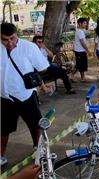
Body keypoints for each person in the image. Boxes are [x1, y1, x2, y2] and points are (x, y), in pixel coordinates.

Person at [1, 23, 51, 165]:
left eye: (12, 38)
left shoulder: (29, 47)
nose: (10, 43)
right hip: (5, 97)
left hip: (26, 94)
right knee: (3, 129)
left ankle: (37, 147)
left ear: (17, 34)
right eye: (5, 39)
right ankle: (1, 155)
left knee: (35, 124)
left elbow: (42, 68)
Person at [72, 17, 92, 82]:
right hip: (79, 51)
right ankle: (72, 76)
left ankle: (81, 77)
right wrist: (88, 50)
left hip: (80, 50)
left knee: (81, 65)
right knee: (79, 65)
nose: (85, 24)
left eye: (86, 23)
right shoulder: (79, 31)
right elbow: (82, 42)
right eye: (84, 23)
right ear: (80, 23)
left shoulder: (80, 31)